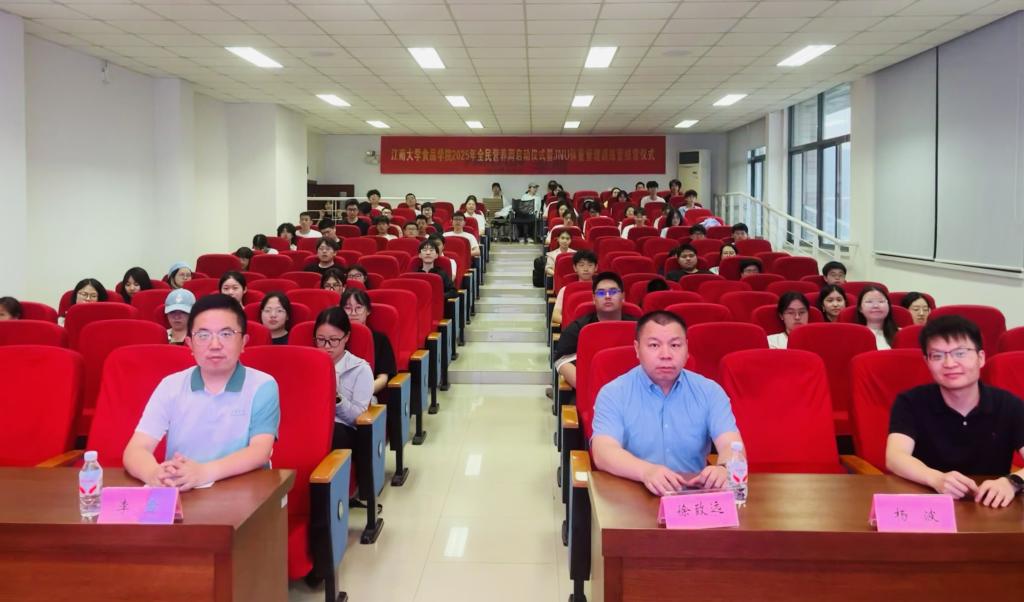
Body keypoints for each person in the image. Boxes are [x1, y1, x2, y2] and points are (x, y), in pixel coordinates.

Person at [123, 294, 278, 490]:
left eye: (226, 334)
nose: (215, 345)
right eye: (203, 335)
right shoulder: (171, 385)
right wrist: (154, 474)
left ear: (243, 342)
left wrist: (202, 473)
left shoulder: (262, 385)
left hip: (244, 492)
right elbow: (136, 449)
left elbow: (260, 451)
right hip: (183, 491)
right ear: (189, 344)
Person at [591, 311, 744, 495]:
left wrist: (724, 469)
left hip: (691, 495)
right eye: (654, 345)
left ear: (687, 349)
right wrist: (646, 471)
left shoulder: (710, 391)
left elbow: (732, 445)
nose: (666, 355)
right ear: (637, 349)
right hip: (632, 493)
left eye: (675, 345)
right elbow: (603, 451)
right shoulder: (613, 393)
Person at [886, 315, 1024, 508]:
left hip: (991, 506)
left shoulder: (1008, 404)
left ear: (981, 358)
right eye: (937, 356)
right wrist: (935, 478)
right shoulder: (910, 402)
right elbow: (895, 457)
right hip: (928, 504)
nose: (949, 363)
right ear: (927, 361)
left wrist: (1012, 482)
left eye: (960, 353)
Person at [554, 272, 638, 389]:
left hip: (633, 388)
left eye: (613, 292)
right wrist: (587, 387)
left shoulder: (639, 327)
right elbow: (562, 360)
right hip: (591, 389)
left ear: (623, 297)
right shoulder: (579, 328)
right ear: (594, 298)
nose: (607, 296)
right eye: (601, 293)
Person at [313, 307, 374, 450]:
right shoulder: (308, 365)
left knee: (333, 434)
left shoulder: (360, 369)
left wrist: (337, 398)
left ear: (346, 337)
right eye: (321, 340)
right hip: (311, 423)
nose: (326, 346)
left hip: (342, 428)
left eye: (334, 340)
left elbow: (358, 418)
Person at [342, 289, 398, 396]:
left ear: (368, 311)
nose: (353, 313)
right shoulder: (335, 338)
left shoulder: (380, 339)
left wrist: (361, 393)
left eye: (358, 308)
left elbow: (383, 379)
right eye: (348, 308)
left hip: (368, 394)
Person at [551, 250, 597, 327]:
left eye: (590, 265)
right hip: (573, 329)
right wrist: (575, 325)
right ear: (575, 268)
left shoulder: (602, 290)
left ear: (596, 267)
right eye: (581, 265)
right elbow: (555, 315)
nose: (586, 269)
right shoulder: (565, 290)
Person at [855, 285, 898, 349]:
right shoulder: (854, 336)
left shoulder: (901, 334)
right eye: (869, 302)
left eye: (881, 301)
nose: (876, 306)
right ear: (860, 308)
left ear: (888, 306)